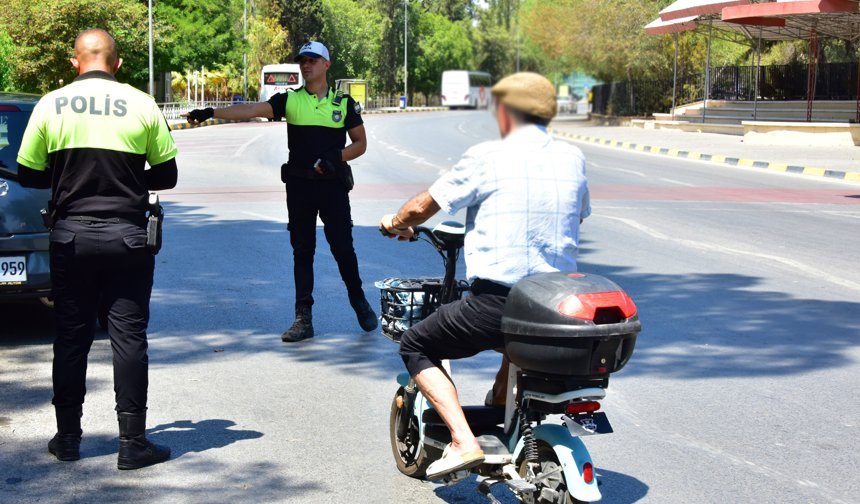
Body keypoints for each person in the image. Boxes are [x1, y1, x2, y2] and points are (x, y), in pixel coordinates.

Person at [379, 72, 591, 480]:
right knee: (520, 340)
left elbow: (424, 207)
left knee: (415, 343)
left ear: (507, 112)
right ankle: (503, 415)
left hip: (498, 303)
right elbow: (578, 214)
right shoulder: (573, 157)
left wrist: (395, 221)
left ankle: (463, 439)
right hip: (558, 305)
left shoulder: (486, 156)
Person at [16, 29, 177, 470]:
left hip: (70, 237)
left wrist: (68, 178)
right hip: (128, 237)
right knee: (128, 338)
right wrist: (124, 182)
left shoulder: (51, 103)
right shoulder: (141, 103)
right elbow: (167, 176)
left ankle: (67, 439)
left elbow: (29, 173)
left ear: (75, 62)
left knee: (71, 337)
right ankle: (133, 443)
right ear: (118, 64)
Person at [184, 41, 376, 342]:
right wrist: (211, 111)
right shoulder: (290, 101)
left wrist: (335, 158)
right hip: (299, 188)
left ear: (326, 64)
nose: (306, 65)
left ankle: (358, 300)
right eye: (303, 61)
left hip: (332, 189)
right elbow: (250, 109)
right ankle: (303, 318)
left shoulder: (343, 103)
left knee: (342, 248)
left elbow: (360, 143)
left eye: (312, 60)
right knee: (303, 251)